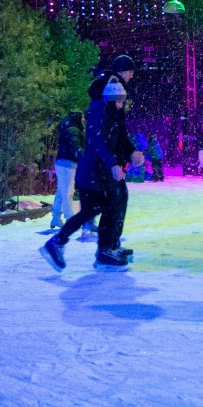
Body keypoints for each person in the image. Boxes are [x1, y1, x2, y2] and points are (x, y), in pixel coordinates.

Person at [41, 78, 136, 271]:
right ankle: (98, 250)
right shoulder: (100, 115)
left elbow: (117, 142)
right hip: (91, 175)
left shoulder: (110, 116)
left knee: (101, 209)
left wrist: (131, 153)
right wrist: (112, 163)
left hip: (97, 174)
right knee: (97, 210)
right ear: (111, 100)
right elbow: (99, 144)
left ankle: (103, 249)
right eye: (119, 101)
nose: (121, 106)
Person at [52, 112, 85, 230]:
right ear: (77, 118)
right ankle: (70, 219)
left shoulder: (69, 128)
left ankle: (56, 218)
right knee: (68, 192)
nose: (83, 120)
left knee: (62, 191)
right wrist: (85, 157)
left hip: (62, 163)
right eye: (82, 117)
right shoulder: (73, 130)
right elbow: (76, 147)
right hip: (68, 164)